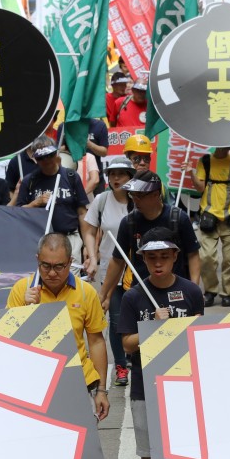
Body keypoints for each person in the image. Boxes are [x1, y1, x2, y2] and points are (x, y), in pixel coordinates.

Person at [116, 228, 203, 459]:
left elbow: (197, 335)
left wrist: (175, 327)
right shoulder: (133, 297)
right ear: (142, 258)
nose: (158, 263)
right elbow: (126, 343)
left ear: (175, 256)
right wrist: (152, 327)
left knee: (187, 452)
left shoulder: (192, 292)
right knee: (150, 455)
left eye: (164, 256)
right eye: (151, 257)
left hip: (184, 384)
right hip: (144, 389)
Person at [7, 233, 109, 421]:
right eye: (46, 266)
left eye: (59, 266)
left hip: (79, 383)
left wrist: (101, 390)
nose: (52, 273)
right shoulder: (21, 291)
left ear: (70, 262)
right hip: (35, 387)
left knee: (84, 448)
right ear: (37, 260)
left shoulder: (86, 292)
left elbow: (96, 342)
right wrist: (25, 311)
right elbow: (8, 344)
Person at [99, 170, 200, 311]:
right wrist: (103, 295)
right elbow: (118, 260)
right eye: (132, 194)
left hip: (176, 294)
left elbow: (193, 255)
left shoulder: (179, 219)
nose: (135, 199)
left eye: (140, 195)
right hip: (142, 292)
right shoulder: (128, 223)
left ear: (156, 194)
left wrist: (194, 290)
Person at [81, 157, 134, 387]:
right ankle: (121, 366)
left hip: (138, 270)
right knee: (116, 321)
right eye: (112, 174)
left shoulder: (140, 198)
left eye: (121, 174)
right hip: (111, 271)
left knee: (142, 317)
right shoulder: (102, 201)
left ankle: (139, 359)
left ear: (131, 176)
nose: (115, 179)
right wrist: (93, 258)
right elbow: (89, 231)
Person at [15, 138, 90, 267]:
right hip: (41, 240)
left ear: (56, 154)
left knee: (71, 279)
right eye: (41, 158)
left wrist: (88, 246)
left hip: (70, 237)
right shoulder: (29, 181)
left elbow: (82, 213)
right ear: (35, 159)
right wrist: (36, 203)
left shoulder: (71, 176)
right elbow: (18, 214)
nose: (46, 161)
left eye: (49, 155)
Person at [191, 146, 230, 307]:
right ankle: (210, 291)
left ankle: (227, 293)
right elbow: (200, 188)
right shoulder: (205, 161)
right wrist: (190, 172)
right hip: (209, 216)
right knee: (206, 256)